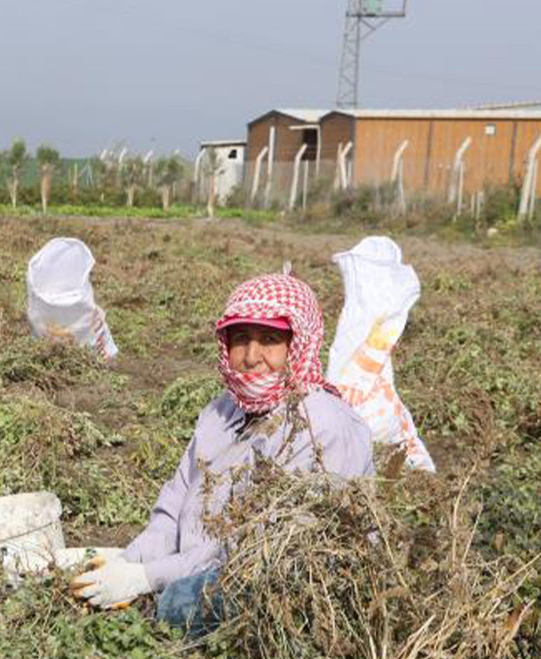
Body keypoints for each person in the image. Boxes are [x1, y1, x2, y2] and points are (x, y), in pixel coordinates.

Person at [70, 272, 375, 635]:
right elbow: (173, 504)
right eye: (241, 339)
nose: (251, 357)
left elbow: (256, 547)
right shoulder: (221, 412)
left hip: (282, 580)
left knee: (182, 603)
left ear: (298, 345)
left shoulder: (321, 425)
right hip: (200, 563)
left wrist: (147, 577)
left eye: (270, 340)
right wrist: (129, 561)